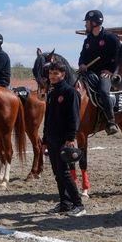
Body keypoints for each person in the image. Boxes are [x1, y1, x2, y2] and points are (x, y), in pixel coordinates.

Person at [43, 61, 85, 217]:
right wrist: (44, 140)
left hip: (63, 139)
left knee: (65, 173)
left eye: (56, 73)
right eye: (50, 73)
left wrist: (70, 137)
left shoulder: (70, 92)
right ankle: (64, 203)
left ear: (63, 74)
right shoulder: (52, 93)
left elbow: (74, 117)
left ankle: (78, 204)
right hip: (52, 138)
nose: (52, 76)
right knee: (57, 173)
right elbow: (47, 118)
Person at [78, 9, 119, 135]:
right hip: (89, 73)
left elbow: (120, 57)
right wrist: (82, 64)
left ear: (95, 23)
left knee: (103, 90)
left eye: (87, 22)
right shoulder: (88, 40)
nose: (85, 25)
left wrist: (112, 71)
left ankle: (111, 121)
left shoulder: (111, 38)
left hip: (105, 73)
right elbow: (82, 56)